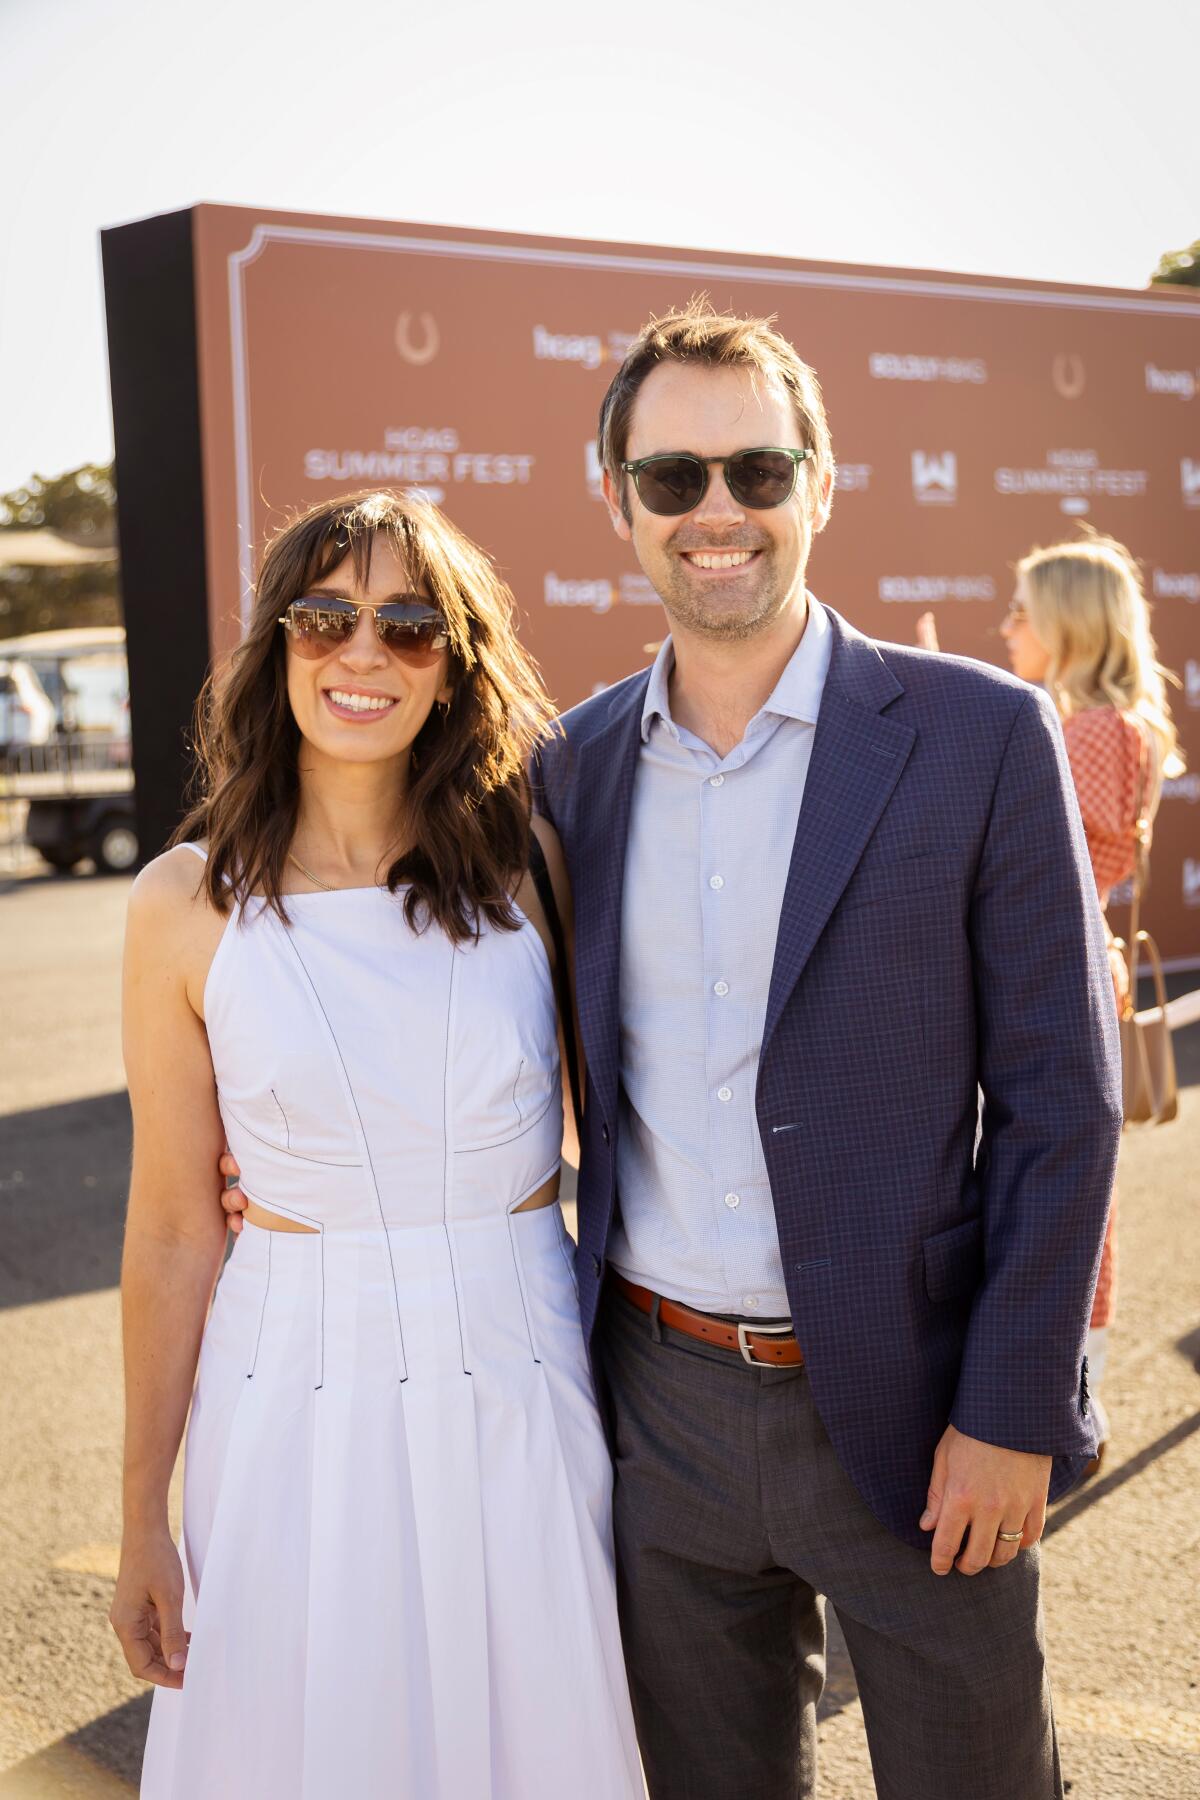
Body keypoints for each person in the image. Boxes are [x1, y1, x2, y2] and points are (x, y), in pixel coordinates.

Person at [529, 300, 1120, 1800]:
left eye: (757, 471)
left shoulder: (984, 733)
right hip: (657, 1419)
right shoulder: (571, 766)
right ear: (620, 503)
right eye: (672, 480)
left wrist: (1010, 1409)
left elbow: (1062, 1101)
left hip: (925, 1414)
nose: (716, 512)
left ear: (821, 485)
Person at [110, 491, 643, 1799]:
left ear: (455, 665)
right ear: (276, 642)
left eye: (409, 625)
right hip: (287, 1389)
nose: (362, 655)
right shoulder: (181, 906)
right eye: (326, 617)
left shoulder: (530, 867)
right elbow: (176, 1226)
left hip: (519, 1375)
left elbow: (617, 1127)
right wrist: (139, 1517)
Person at [1002, 531, 1184, 1466]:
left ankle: (1067, 1401)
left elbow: (1041, 857)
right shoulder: (1106, 725)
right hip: (1071, 978)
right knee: (1073, 1191)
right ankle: (1072, 1392)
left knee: (1058, 1192)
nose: (1007, 628)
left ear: (1070, 625)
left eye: (1025, 613)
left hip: (1050, 986)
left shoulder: (1089, 732)